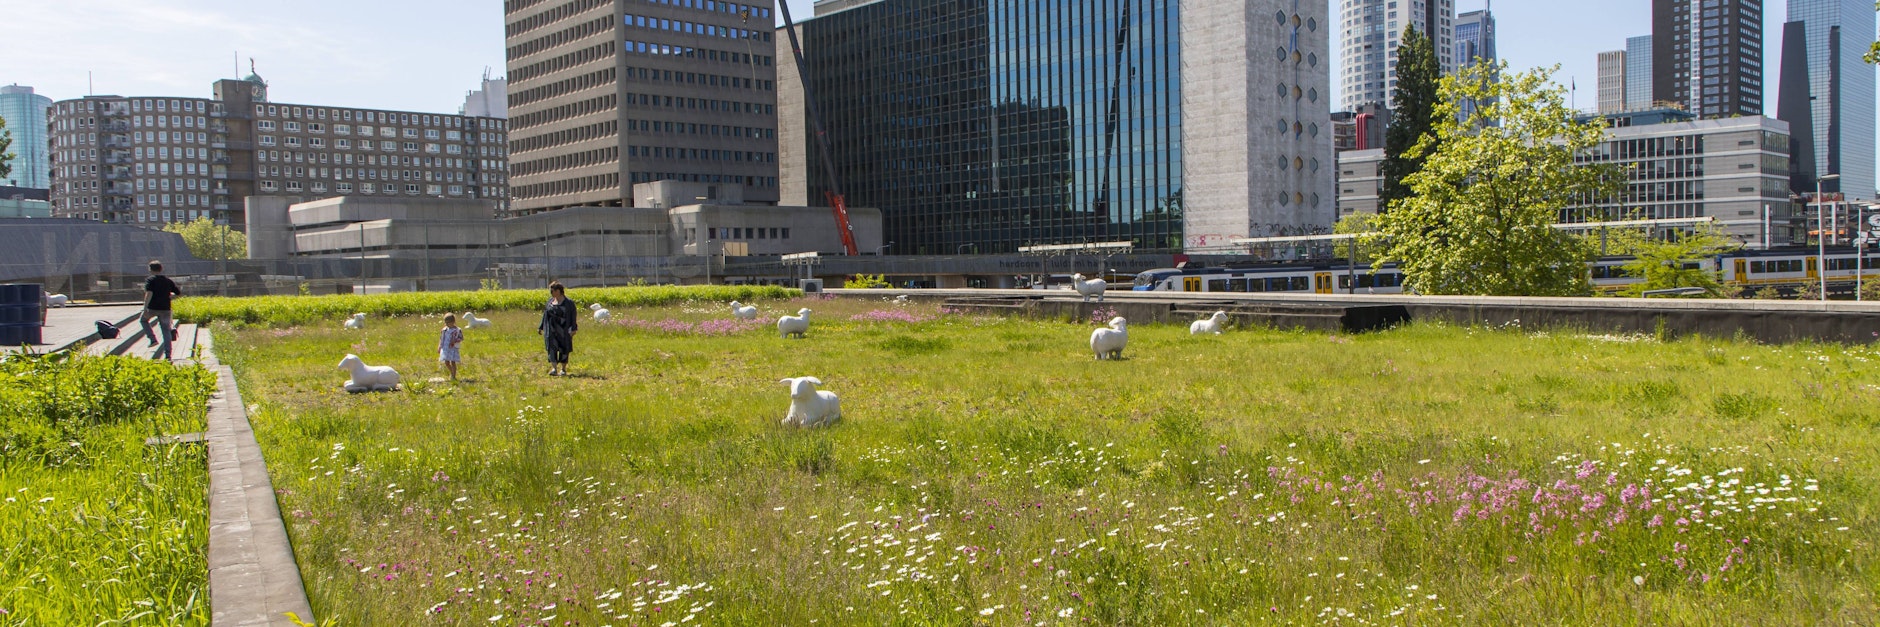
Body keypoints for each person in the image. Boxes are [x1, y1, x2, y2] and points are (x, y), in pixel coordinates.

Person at [142, 260, 182, 360]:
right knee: (166, 331)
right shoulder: (168, 281)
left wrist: (145, 308)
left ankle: (152, 339)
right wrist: (169, 296)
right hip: (165, 309)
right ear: (161, 269)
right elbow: (178, 293)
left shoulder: (150, 280)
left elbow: (149, 294)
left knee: (143, 320)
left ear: (150, 269)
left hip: (153, 308)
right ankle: (168, 354)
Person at [537, 281, 578, 376]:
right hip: (551, 330)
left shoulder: (568, 303)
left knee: (564, 349)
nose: (551, 293)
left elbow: (573, 316)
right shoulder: (550, 302)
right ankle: (554, 368)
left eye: (552, 291)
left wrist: (574, 328)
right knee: (551, 348)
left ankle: (563, 369)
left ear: (558, 291)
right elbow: (545, 315)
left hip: (564, 330)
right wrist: (541, 327)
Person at [438, 313, 464, 381]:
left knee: (453, 362)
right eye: (446, 323)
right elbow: (441, 338)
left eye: (448, 323)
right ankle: (452, 372)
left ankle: (453, 376)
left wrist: (454, 341)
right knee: (446, 362)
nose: (447, 324)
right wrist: (440, 346)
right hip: (445, 348)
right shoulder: (444, 330)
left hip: (453, 348)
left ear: (453, 322)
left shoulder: (457, 330)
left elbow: (461, 338)